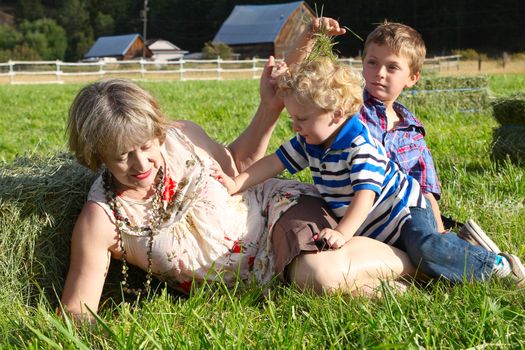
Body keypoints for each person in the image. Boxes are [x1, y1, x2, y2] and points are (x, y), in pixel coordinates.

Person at [60, 70, 417, 320]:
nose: (141, 163)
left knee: (319, 275)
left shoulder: (182, 135)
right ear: (96, 156)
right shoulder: (103, 218)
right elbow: (77, 308)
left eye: (146, 145)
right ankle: (424, 282)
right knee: (349, 292)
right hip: (255, 281)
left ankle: (423, 262)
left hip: (276, 210)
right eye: (122, 155)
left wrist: (269, 108)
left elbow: (237, 170)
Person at [213, 56, 525, 288]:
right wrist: (237, 182)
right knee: (416, 265)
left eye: (302, 119)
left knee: (424, 249)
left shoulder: (359, 145)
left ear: (336, 114)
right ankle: (463, 248)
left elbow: (366, 196)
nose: (295, 126)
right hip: (375, 226)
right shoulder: (310, 140)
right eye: (293, 118)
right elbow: (274, 162)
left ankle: (498, 265)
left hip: (403, 213)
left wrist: (343, 233)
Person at [285, 17, 501, 252]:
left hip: (399, 216)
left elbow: (425, 190)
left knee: (424, 247)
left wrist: (439, 231)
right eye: (372, 63)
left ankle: (455, 246)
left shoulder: (413, 133)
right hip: (352, 216)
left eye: (392, 67)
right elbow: (298, 80)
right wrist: (311, 35)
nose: (379, 73)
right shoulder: (348, 105)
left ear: (412, 78)